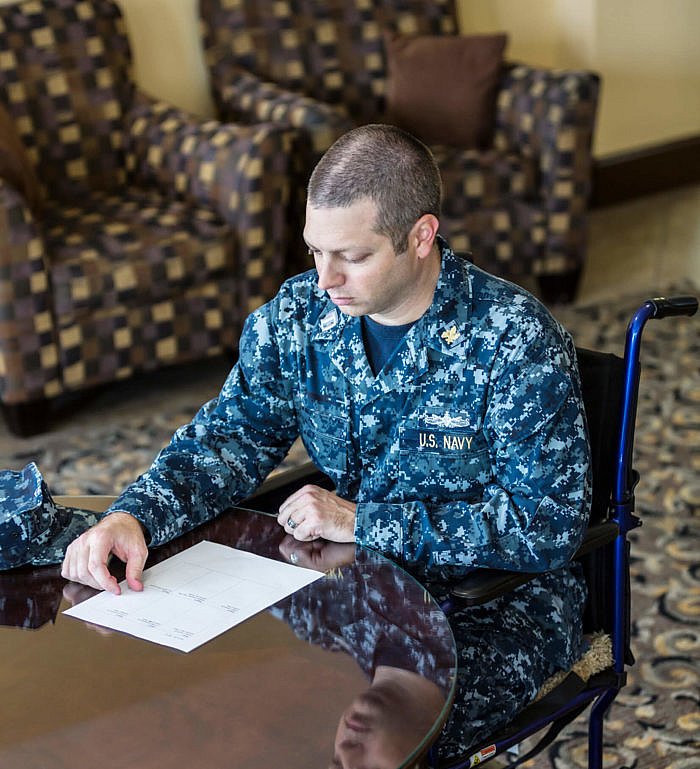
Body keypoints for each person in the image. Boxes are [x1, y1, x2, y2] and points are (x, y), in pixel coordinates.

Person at [62, 124, 592, 761]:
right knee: (213, 700)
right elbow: (230, 436)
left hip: (492, 604)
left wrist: (364, 523)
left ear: (421, 236)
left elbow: (547, 528)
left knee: (368, 743)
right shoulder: (300, 318)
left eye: (353, 256)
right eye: (315, 250)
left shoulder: (513, 341)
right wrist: (134, 514)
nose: (325, 279)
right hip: (348, 587)